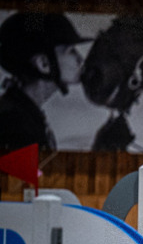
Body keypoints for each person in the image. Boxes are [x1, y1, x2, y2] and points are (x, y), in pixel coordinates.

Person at [0, 12, 90, 154]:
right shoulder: (15, 125)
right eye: (71, 51)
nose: (80, 59)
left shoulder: (21, 113)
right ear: (43, 64)